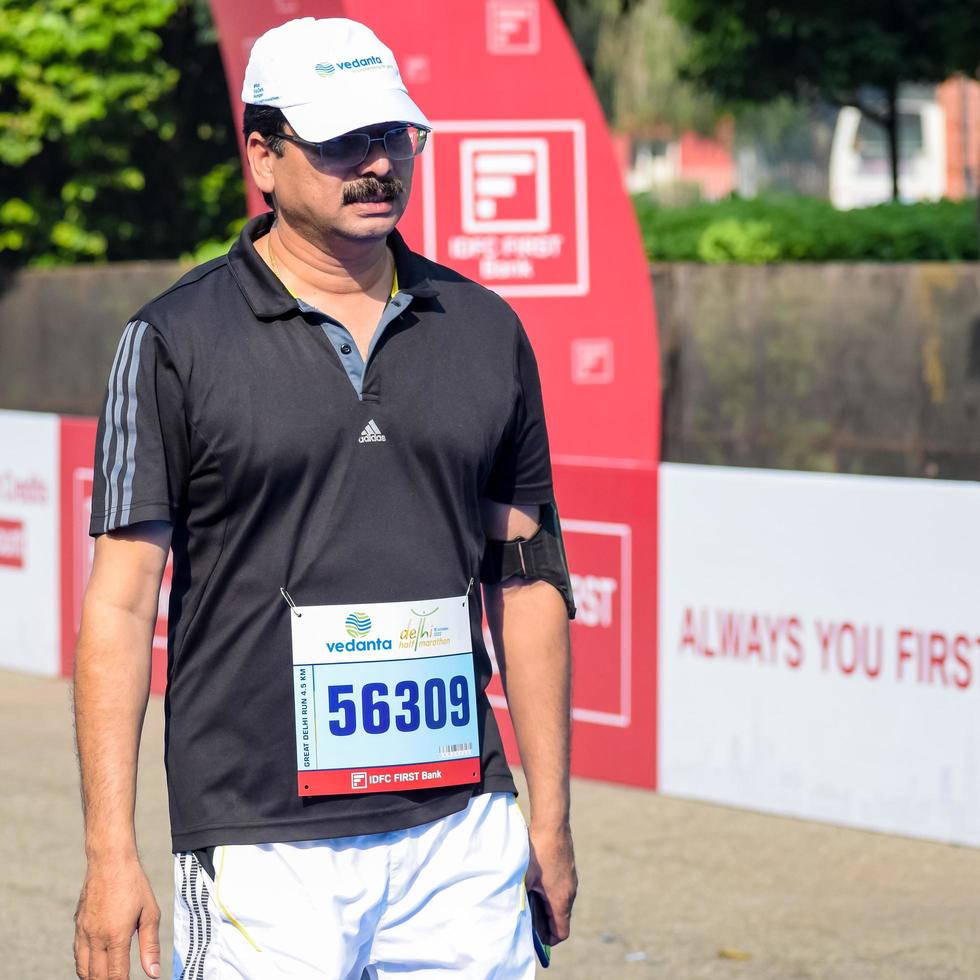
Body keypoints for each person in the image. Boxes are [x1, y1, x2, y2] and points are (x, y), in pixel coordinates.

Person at [72, 16, 576, 980]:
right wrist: (110, 853)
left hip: (460, 830)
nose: (378, 163)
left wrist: (545, 821)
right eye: (343, 141)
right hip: (261, 844)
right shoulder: (172, 340)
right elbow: (121, 602)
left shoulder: (485, 330)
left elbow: (527, 580)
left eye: (394, 136)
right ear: (263, 155)